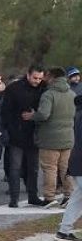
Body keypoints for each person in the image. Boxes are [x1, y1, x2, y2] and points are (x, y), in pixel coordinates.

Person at [2, 64, 47, 207]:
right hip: (17, 133)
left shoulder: (44, 88)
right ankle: (14, 198)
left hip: (34, 134)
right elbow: (5, 111)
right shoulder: (14, 89)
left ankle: (33, 196)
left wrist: (35, 115)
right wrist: (8, 130)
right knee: (15, 167)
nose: (37, 81)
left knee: (33, 168)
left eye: (40, 78)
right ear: (28, 75)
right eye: (35, 78)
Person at [31, 67, 76, 207]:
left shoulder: (49, 94)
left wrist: (32, 116)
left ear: (52, 77)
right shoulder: (72, 94)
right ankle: (69, 195)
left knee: (50, 168)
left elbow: (44, 114)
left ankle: (49, 197)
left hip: (50, 139)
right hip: (68, 137)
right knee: (66, 168)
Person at [54, 91, 82, 241]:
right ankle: (64, 230)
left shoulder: (78, 114)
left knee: (77, 199)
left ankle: (64, 230)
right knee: (77, 198)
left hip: (77, 162)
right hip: (79, 162)